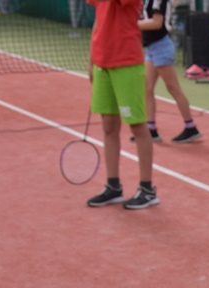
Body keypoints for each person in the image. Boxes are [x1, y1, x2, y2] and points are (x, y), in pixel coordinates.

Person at [86, 0, 159, 210]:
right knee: (108, 125)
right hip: (102, 62)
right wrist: (91, 59)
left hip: (126, 61)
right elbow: (99, 19)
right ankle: (113, 186)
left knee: (137, 126)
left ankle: (147, 189)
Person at [135, 0, 202, 144]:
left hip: (161, 47)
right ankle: (151, 129)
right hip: (151, 48)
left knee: (173, 87)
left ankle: (190, 127)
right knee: (146, 88)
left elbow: (156, 23)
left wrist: (132, 25)